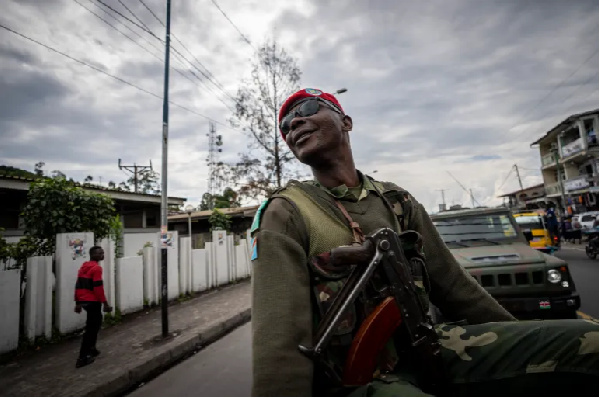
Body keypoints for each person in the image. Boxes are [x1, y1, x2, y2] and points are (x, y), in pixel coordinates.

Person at [250, 88, 599, 396]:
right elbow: (279, 346)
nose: (293, 124)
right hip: (357, 378)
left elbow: (456, 288)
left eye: (307, 109)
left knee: (587, 341)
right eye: (285, 126)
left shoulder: (396, 201)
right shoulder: (287, 212)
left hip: (429, 347)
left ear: (347, 122)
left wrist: (526, 346)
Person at [74, 245, 113, 368]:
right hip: (92, 301)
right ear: (93, 255)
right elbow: (98, 288)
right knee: (91, 328)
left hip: (84, 301)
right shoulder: (96, 268)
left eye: (102, 253)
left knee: (94, 325)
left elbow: (78, 285)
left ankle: (92, 349)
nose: (102, 255)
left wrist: (78, 303)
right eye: (100, 253)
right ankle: (82, 357)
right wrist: (105, 304)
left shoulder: (83, 267)